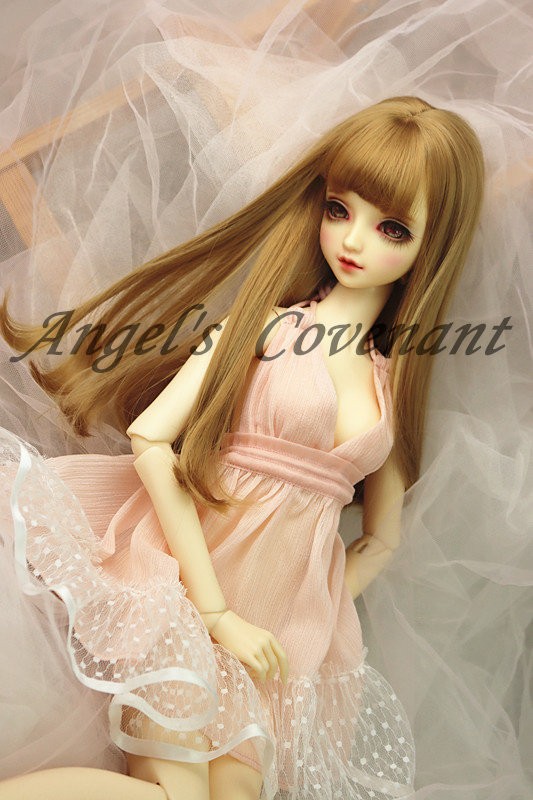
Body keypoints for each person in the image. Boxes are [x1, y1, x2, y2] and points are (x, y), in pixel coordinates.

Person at [0, 94, 485, 800]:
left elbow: (380, 540)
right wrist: (213, 612)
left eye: (391, 228)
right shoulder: (263, 328)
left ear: (429, 247)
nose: (353, 241)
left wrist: (307, 620)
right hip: (183, 593)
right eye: (339, 210)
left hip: (271, 643)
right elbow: (150, 439)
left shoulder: (393, 387)